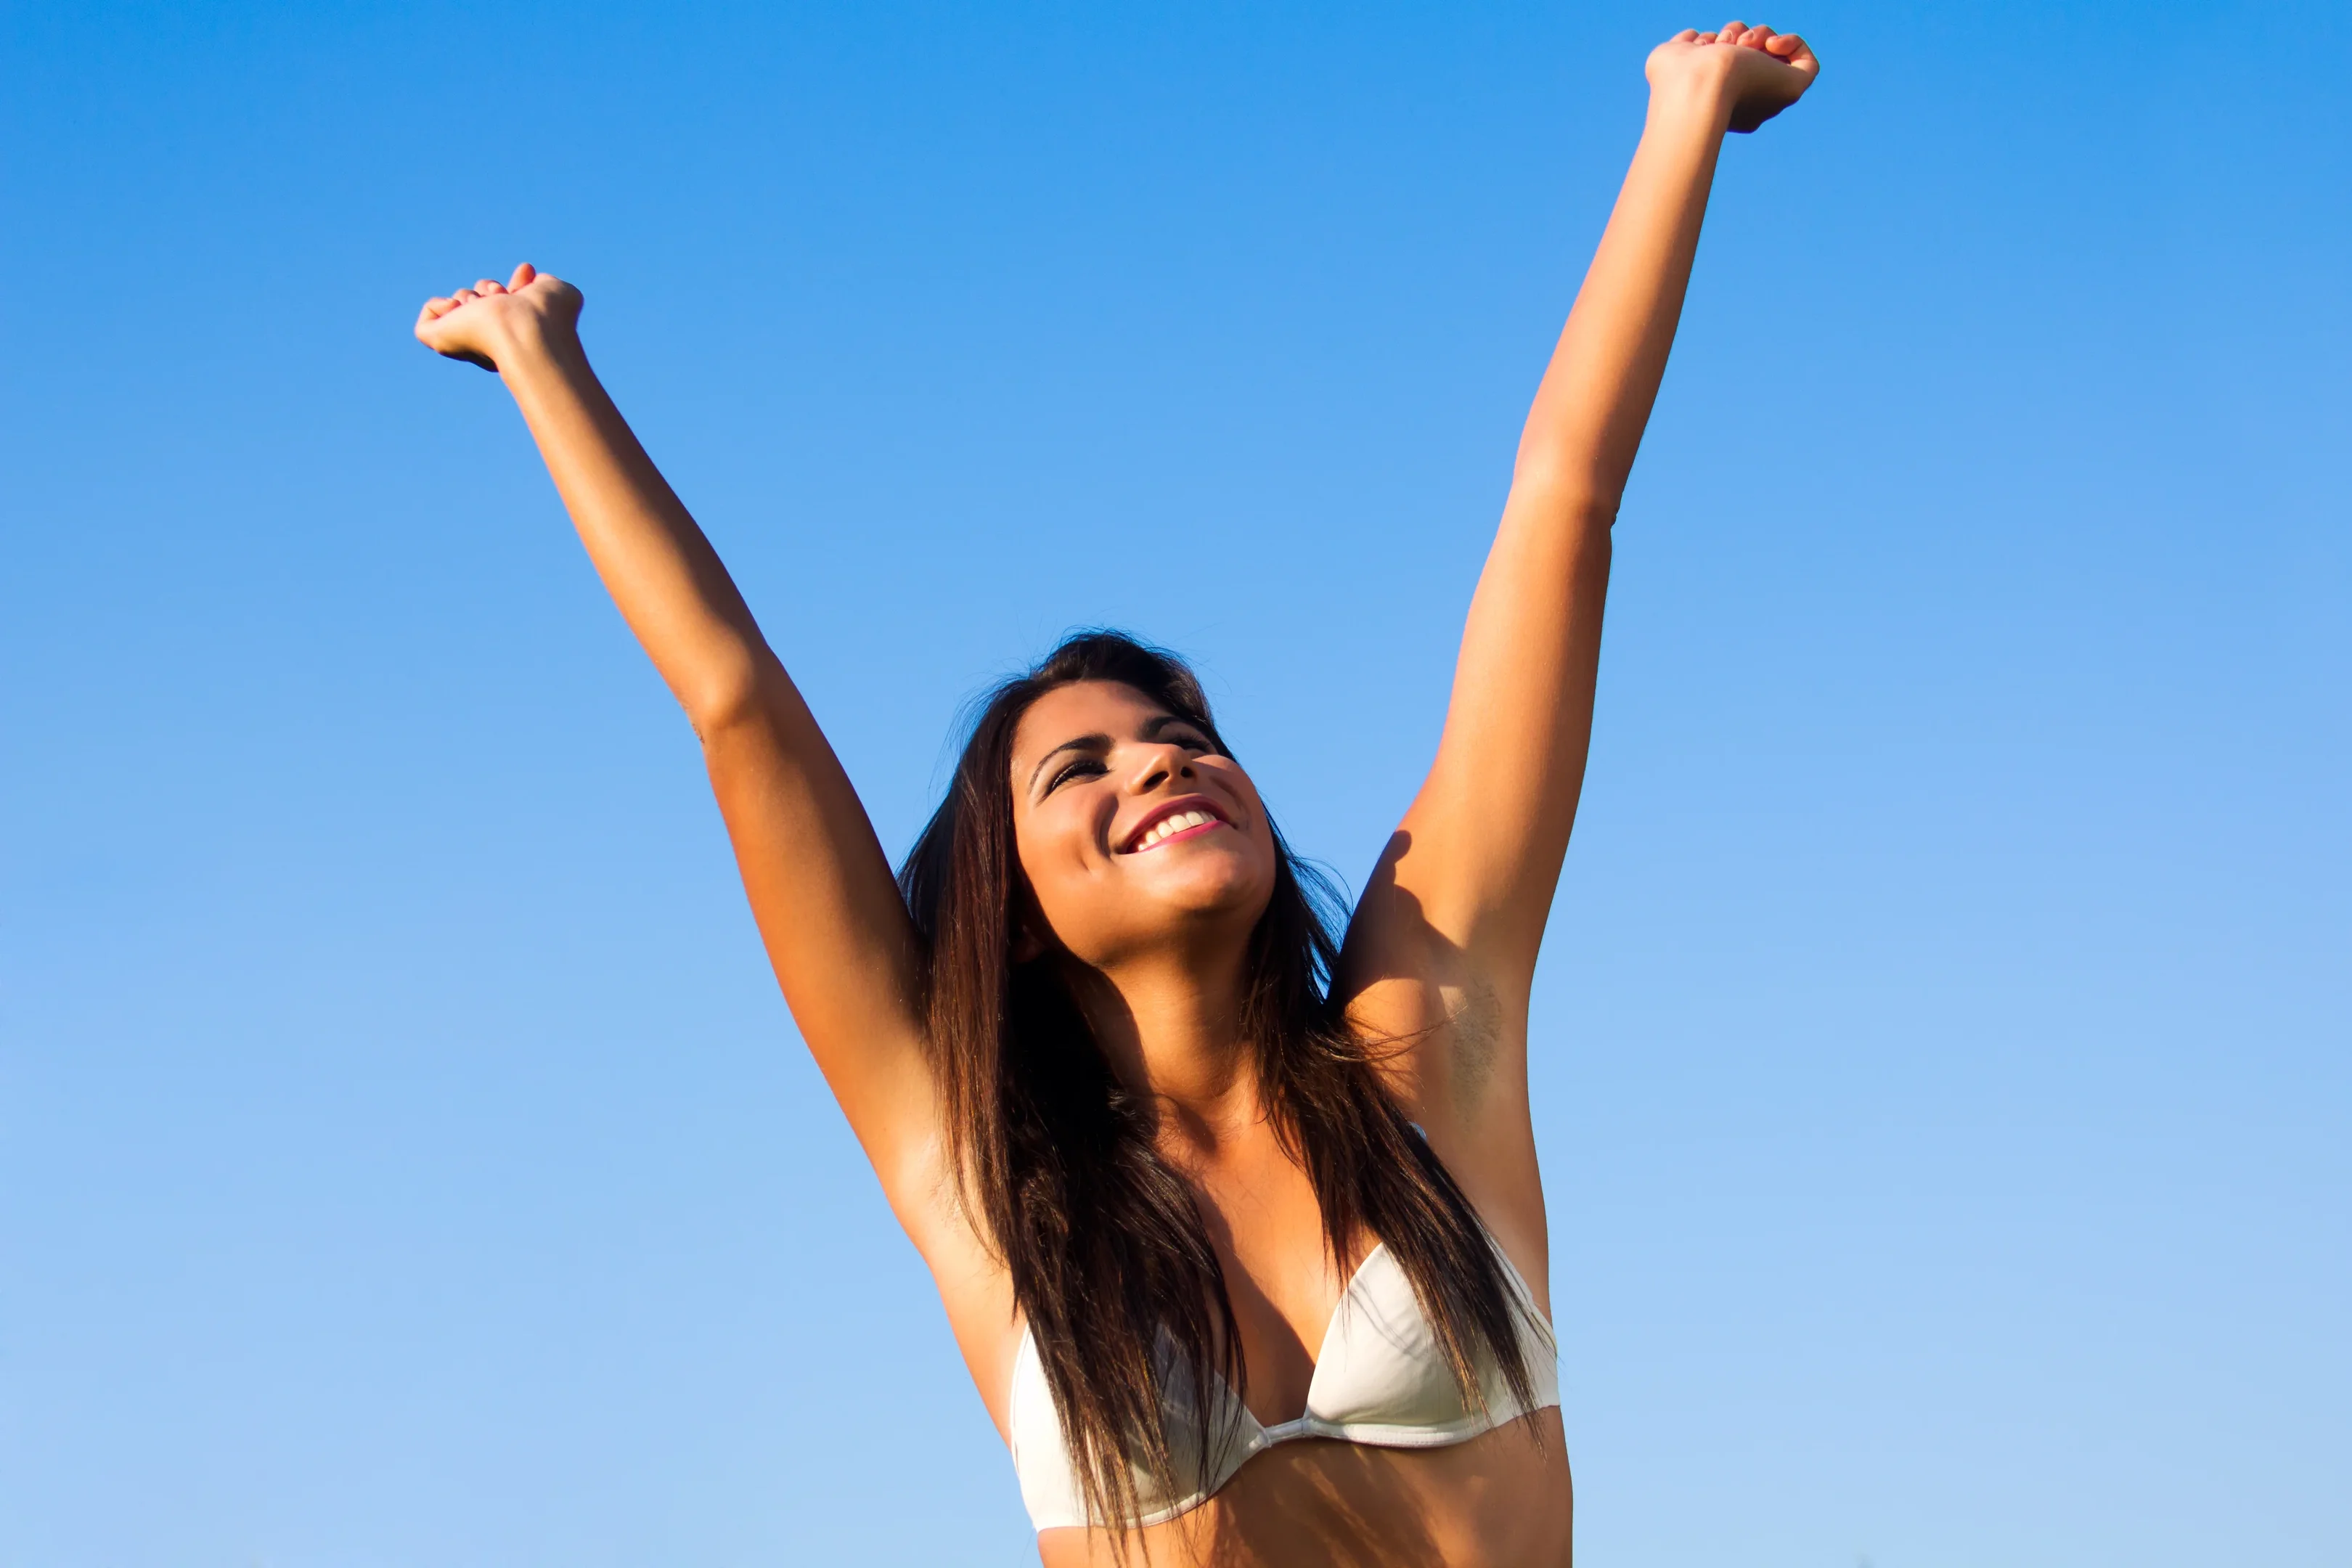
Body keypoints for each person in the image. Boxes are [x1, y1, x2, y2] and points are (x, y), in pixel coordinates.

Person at [414, 21, 1816, 1567]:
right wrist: (542, 362)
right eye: (1079, 770)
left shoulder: (1425, 1052)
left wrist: (1683, 120)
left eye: (1178, 739)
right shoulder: (989, 1190)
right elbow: (736, 703)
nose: (1160, 762)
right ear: (1007, 916)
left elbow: (1564, 504)